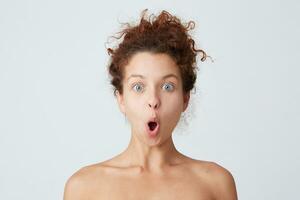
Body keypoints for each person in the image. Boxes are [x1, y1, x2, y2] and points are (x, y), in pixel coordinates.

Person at [63, 9, 238, 200]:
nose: (153, 100)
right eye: (138, 87)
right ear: (121, 98)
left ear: (185, 98)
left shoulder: (216, 184)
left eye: (167, 86)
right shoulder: (83, 188)